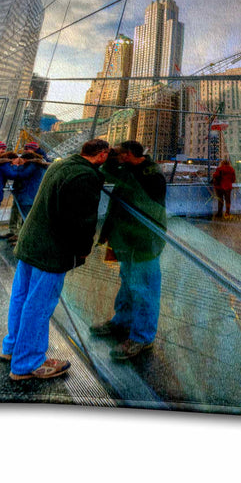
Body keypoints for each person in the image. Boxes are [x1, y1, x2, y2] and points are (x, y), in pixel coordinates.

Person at [1, 139, 110, 381]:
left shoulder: (59, 165)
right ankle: (26, 363)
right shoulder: (85, 177)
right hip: (51, 250)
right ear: (102, 155)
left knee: (21, 296)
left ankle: (11, 348)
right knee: (39, 304)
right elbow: (81, 220)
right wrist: (83, 249)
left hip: (30, 241)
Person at [91, 140, 167, 360]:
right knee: (128, 281)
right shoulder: (129, 168)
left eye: (122, 154)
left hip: (145, 241)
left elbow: (141, 197)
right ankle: (122, 322)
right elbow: (107, 172)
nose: (119, 158)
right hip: (126, 238)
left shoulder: (152, 174)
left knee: (144, 288)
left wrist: (123, 163)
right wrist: (114, 156)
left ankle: (142, 337)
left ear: (133, 154)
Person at [0, 143, 50, 244]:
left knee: (26, 217)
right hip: (24, 193)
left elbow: (22, 174)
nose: (24, 151)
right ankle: (16, 233)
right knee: (20, 213)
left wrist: (11, 167)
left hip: (28, 194)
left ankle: (24, 238)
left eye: (27, 149)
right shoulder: (36, 163)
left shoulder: (34, 164)